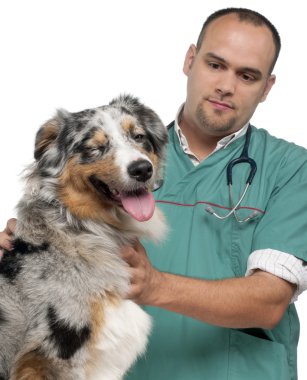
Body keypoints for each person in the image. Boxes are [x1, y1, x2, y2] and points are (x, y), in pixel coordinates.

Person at [1, 7, 307, 380]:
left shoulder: (291, 168)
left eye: (247, 75)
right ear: (190, 60)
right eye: (215, 65)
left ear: (267, 87)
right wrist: (29, 248)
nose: (227, 86)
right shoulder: (125, 159)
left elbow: (269, 301)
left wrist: (156, 286)